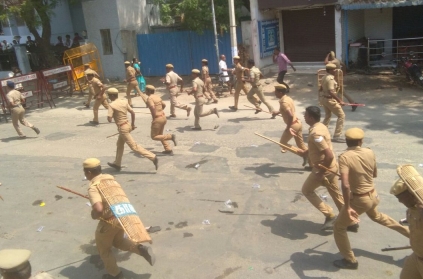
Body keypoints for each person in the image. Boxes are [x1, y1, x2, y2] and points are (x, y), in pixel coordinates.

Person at [332, 128, 410, 269]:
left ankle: (350, 260)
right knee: (378, 217)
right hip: (373, 195)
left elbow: (345, 185)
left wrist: (348, 207)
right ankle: (412, 235)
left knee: (339, 227)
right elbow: (373, 174)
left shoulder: (344, 157)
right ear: (361, 141)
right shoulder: (369, 152)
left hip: (360, 200)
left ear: (347, 141)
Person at [83, 158, 155, 279]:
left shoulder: (93, 187)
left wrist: (94, 215)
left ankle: (115, 275)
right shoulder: (110, 179)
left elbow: (99, 210)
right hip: (124, 214)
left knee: (104, 249)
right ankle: (141, 249)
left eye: (85, 172)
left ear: (89, 173)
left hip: (110, 220)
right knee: (118, 241)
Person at [296, 106, 344, 230]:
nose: (304, 117)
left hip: (324, 168)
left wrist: (321, 172)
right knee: (335, 194)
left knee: (307, 190)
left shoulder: (316, 133)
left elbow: (328, 155)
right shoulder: (321, 126)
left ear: (311, 118)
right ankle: (350, 219)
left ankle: (330, 215)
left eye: (306, 115)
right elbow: (318, 149)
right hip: (332, 167)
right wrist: (305, 152)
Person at [106, 88, 158, 171]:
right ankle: (117, 163)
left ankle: (153, 157)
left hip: (123, 128)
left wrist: (110, 114)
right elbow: (133, 113)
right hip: (128, 125)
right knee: (119, 145)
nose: (108, 97)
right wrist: (133, 124)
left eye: (109, 95)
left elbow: (109, 119)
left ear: (112, 95)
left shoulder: (112, 105)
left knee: (134, 147)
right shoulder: (124, 101)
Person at [390, 178, 423, 279]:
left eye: (400, 197)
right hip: (416, 257)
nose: (399, 201)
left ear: (411, 194)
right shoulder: (412, 209)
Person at [272, 84, 307, 156]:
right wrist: (277, 112)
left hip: (293, 125)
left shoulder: (283, 102)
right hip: (298, 123)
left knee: (282, 143)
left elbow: (290, 115)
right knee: (301, 145)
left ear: (280, 93)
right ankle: (312, 162)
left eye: (276, 92)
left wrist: (288, 128)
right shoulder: (288, 98)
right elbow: (287, 110)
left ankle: (303, 154)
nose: (274, 93)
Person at [145, 85, 177, 154]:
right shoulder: (157, 97)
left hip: (157, 119)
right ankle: (168, 149)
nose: (145, 91)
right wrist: (160, 111)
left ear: (148, 91)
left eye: (146, 90)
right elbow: (164, 105)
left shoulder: (150, 98)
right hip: (163, 117)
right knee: (160, 134)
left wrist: (154, 119)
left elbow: (153, 108)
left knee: (154, 136)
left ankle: (170, 136)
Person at [319, 63, 345, 142]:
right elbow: (331, 92)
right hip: (330, 100)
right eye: (334, 69)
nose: (335, 70)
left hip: (324, 99)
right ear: (330, 70)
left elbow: (321, 88)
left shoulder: (324, 77)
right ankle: (337, 135)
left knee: (328, 115)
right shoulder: (330, 79)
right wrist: (339, 100)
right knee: (341, 116)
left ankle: (321, 133)